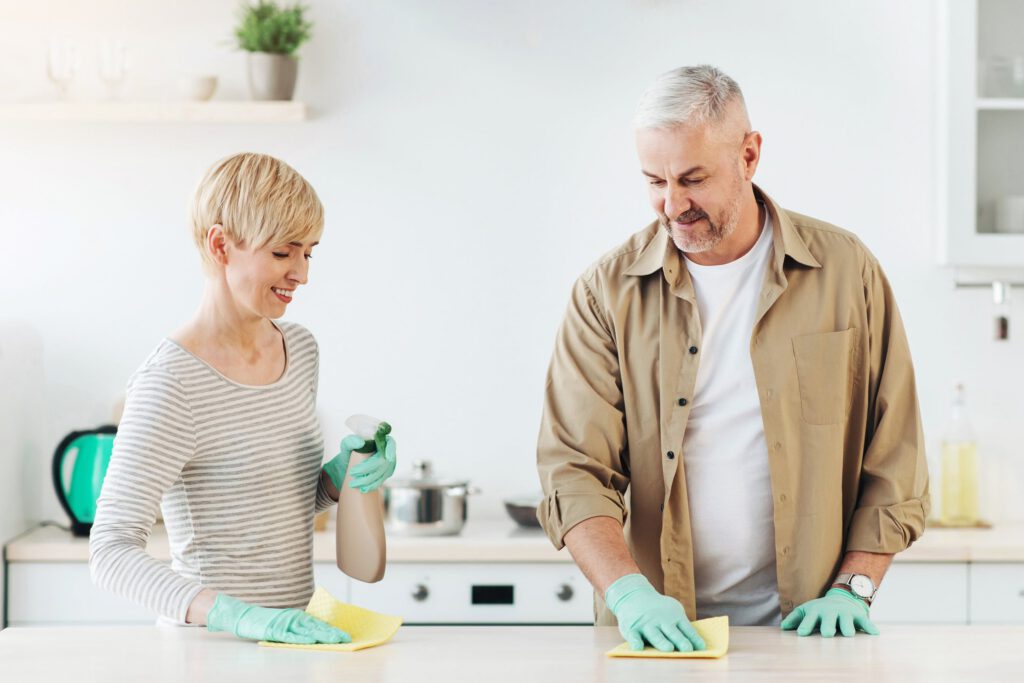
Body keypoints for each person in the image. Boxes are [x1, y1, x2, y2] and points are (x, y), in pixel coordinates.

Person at [535, 65, 930, 652]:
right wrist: (627, 593)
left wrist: (855, 587)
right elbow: (573, 470)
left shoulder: (847, 273)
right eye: (654, 181)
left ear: (749, 155)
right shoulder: (605, 293)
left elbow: (895, 456)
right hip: (655, 640)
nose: (672, 205)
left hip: (807, 632)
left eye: (693, 178)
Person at [90, 152, 397, 644]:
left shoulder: (299, 348)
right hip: (210, 650)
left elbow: (271, 509)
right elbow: (110, 552)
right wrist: (238, 616)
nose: (302, 274)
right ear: (220, 245)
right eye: (283, 253)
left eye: (309, 253)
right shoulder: (171, 382)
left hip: (294, 641)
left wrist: (338, 481)